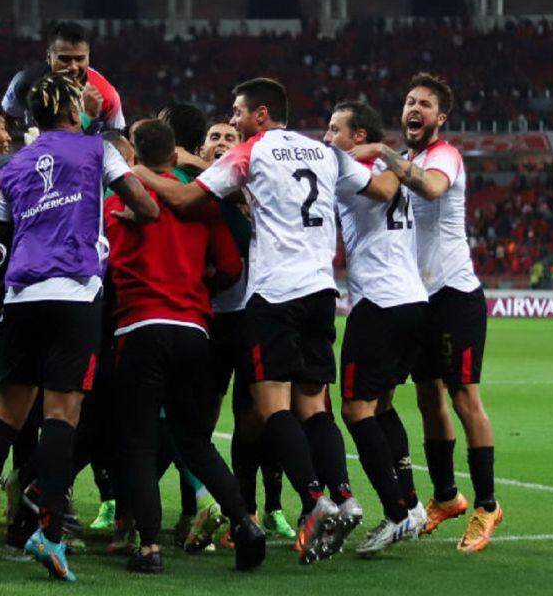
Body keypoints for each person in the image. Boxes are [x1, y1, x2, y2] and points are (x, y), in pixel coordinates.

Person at [133, 77, 376, 564]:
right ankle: (345, 495)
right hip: (322, 290)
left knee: (272, 405)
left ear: (261, 115)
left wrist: (134, 171)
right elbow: (383, 186)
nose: (234, 118)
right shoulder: (323, 151)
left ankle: (313, 501)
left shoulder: (253, 152)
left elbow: (183, 199)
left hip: (275, 294)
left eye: (238, 111)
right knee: (314, 405)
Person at [0, 73, 158, 581]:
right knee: (62, 415)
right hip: (74, 291)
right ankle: (48, 533)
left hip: (22, 294)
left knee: (7, 414)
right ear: (74, 111)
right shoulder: (96, 150)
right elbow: (147, 206)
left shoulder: (14, 165)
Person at [350, 73, 502, 553]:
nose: (414, 108)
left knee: (463, 398)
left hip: (456, 295)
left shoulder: (444, 157)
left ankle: (487, 504)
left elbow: (433, 190)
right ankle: (444, 497)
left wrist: (378, 152)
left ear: (441, 118)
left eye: (425, 104)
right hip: (417, 299)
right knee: (427, 399)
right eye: (410, 101)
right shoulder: (405, 159)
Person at [106, 119, 264, 574]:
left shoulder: (118, 199)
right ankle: (244, 522)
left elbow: (103, 264)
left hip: (139, 328)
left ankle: (150, 548)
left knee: (138, 440)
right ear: (176, 157)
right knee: (195, 440)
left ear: (133, 155)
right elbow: (231, 268)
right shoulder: (202, 204)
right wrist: (197, 286)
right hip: (194, 330)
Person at [324, 100, 428, 555]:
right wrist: (387, 153)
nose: (328, 138)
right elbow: (392, 183)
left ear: (358, 136)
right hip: (412, 302)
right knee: (382, 405)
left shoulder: (351, 167)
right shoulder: (395, 169)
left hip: (380, 303)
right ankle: (410, 503)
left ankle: (396, 513)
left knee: (354, 409)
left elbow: (382, 189)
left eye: (335, 130)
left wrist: (381, 152)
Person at [195, 120, 296, 545]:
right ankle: (200, 509)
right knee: (202, 416)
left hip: (252, 317)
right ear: (201, 149)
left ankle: (262, 507)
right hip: (209, 319)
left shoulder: (259, 196)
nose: (221, 143)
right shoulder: (198, 194)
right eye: (214, 137)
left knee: (256, 416)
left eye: (229, 138)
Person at [2, 21, 125, 133]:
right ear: (49, 57)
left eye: (79, 59)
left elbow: (119, 141)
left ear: (88, 57)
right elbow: (4, 123)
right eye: (65, 59)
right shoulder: (24, 82)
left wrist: (85, 118)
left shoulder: (106, 95)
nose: (73, 67)